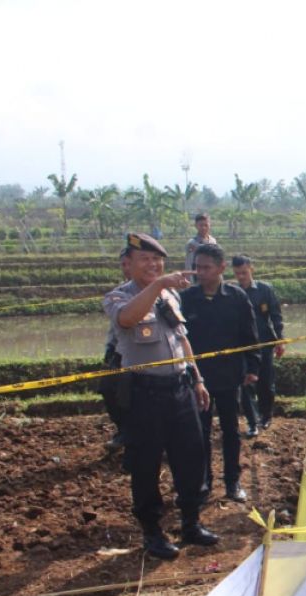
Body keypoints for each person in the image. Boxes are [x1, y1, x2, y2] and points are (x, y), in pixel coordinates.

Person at [102, 232, 215, 560]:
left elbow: (182, 340)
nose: (152, 265)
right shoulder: (117, 298)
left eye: (157, 260)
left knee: (191, 457)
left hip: (179, 390)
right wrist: (158, 286)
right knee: (146, 464)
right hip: (143, 394)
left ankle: (191, 523)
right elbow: (128, 319)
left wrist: (197, 378)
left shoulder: (169, 296)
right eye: (145, 260)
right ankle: (153, 532)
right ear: (129, 265)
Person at [180, 243, 260, 504]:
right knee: (199, 431)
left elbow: (250, 336)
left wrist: (252, 367)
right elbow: (180, 339)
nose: (200, 272)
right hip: (197, 379)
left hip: (229, 376)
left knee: (230, 431)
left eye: (206, 267)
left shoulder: (237, 298)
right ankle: (204, 482)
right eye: (197, 267)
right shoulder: (188, 298)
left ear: (221, 268)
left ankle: (232, 481)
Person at [232, 255, 284, 435]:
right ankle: (253, 421)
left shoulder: (265, 290)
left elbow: (275, 316)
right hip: (243, 346)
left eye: (244, 273)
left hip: (264, 342)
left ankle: (266, 415)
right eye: (238, 273)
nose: (241, 277)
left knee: (265, 382)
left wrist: (280, 339)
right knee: (245, 383)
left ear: (251, 269)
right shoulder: (232, 292)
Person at [99, 247, 132, 451]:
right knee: (108, 389)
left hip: (144, 355)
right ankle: (124, 431)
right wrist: (109, 349)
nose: (126, 268)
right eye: (123, 265)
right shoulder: (118, 293)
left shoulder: (158, 292)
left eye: (129, 263)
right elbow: (114, 327)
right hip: (119, 350)